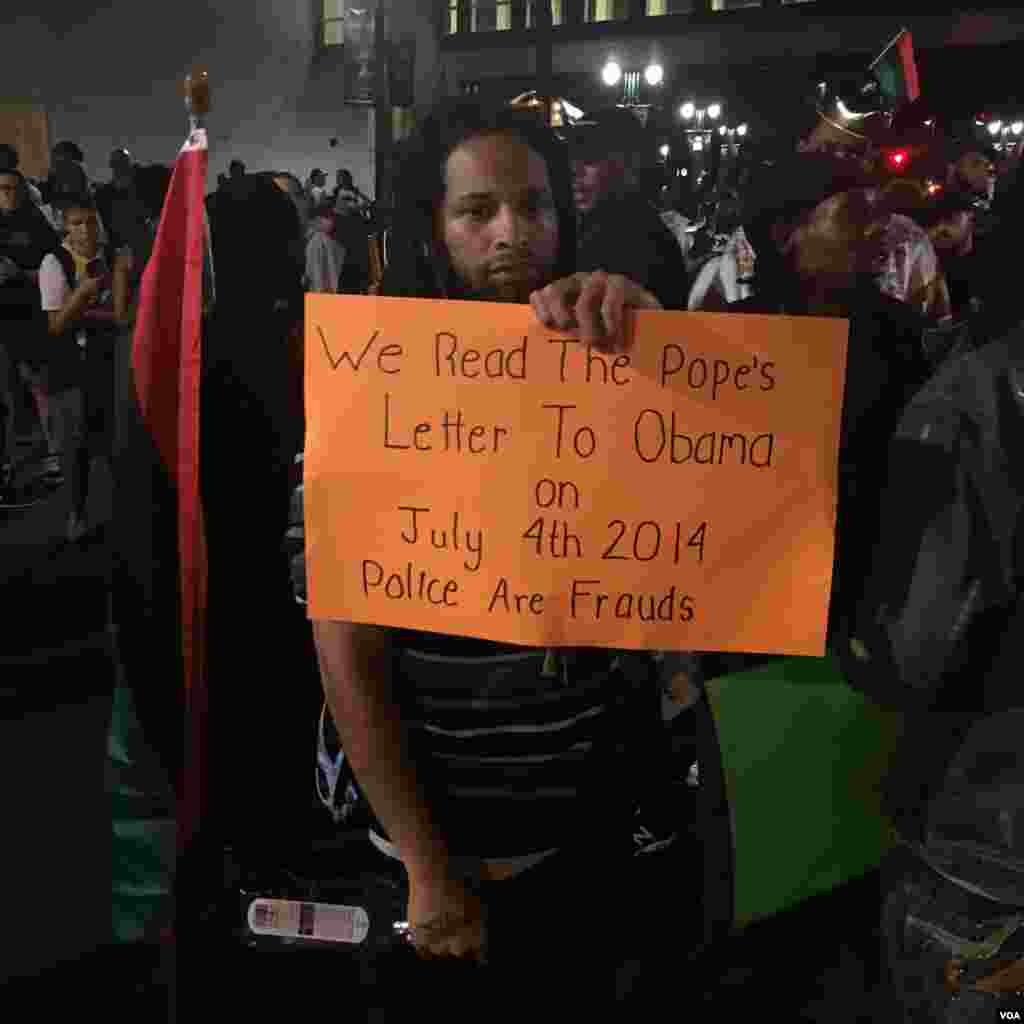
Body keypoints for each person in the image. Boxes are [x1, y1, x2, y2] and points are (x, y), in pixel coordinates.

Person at [304, 98, 668, 1016]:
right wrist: (427, 865)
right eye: (477, 211)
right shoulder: (371, 384)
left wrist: (666, 353)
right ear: (433, 224)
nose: (513, 233)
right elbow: (346, 654)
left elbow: (687, 544)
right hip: (428, 859)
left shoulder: (609, 355)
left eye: (535, 205)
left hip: (586, 836)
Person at [36, 191, 132, 539]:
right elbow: (55, 324)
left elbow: (121, 316)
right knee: (76, 444)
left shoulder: (112, 256)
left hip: (107, 362)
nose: (86, 230)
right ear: (64, 226)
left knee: (115, 441)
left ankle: (124, 512)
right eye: (77, 223)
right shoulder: (55, 262)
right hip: (71, 367)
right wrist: (81, 295)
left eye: (91, 222)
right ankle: (76, 514)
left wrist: (113, 286)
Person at [565, 107, 687, 311]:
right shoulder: (582, 230)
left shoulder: (649, 245)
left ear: (630, 162)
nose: (574, 169)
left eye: (589, 156)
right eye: (570, 157)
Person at [0, 167, 60, 496]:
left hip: (29, 318)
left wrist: (20, 273)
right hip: (3, 322)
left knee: (39, 387)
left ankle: (54, 456)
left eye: (12, 188)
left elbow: (56, 268)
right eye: (1, 189)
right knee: (7, 395)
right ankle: (10, 463)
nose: (6, 194)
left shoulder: (35, 223)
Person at [304, 199, 345, 294]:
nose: (331, 221)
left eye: (331, 217)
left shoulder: (326, 239)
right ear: (317, 220)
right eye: (327, 217)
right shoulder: (317, 241)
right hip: (322, 289)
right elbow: (316, 270)